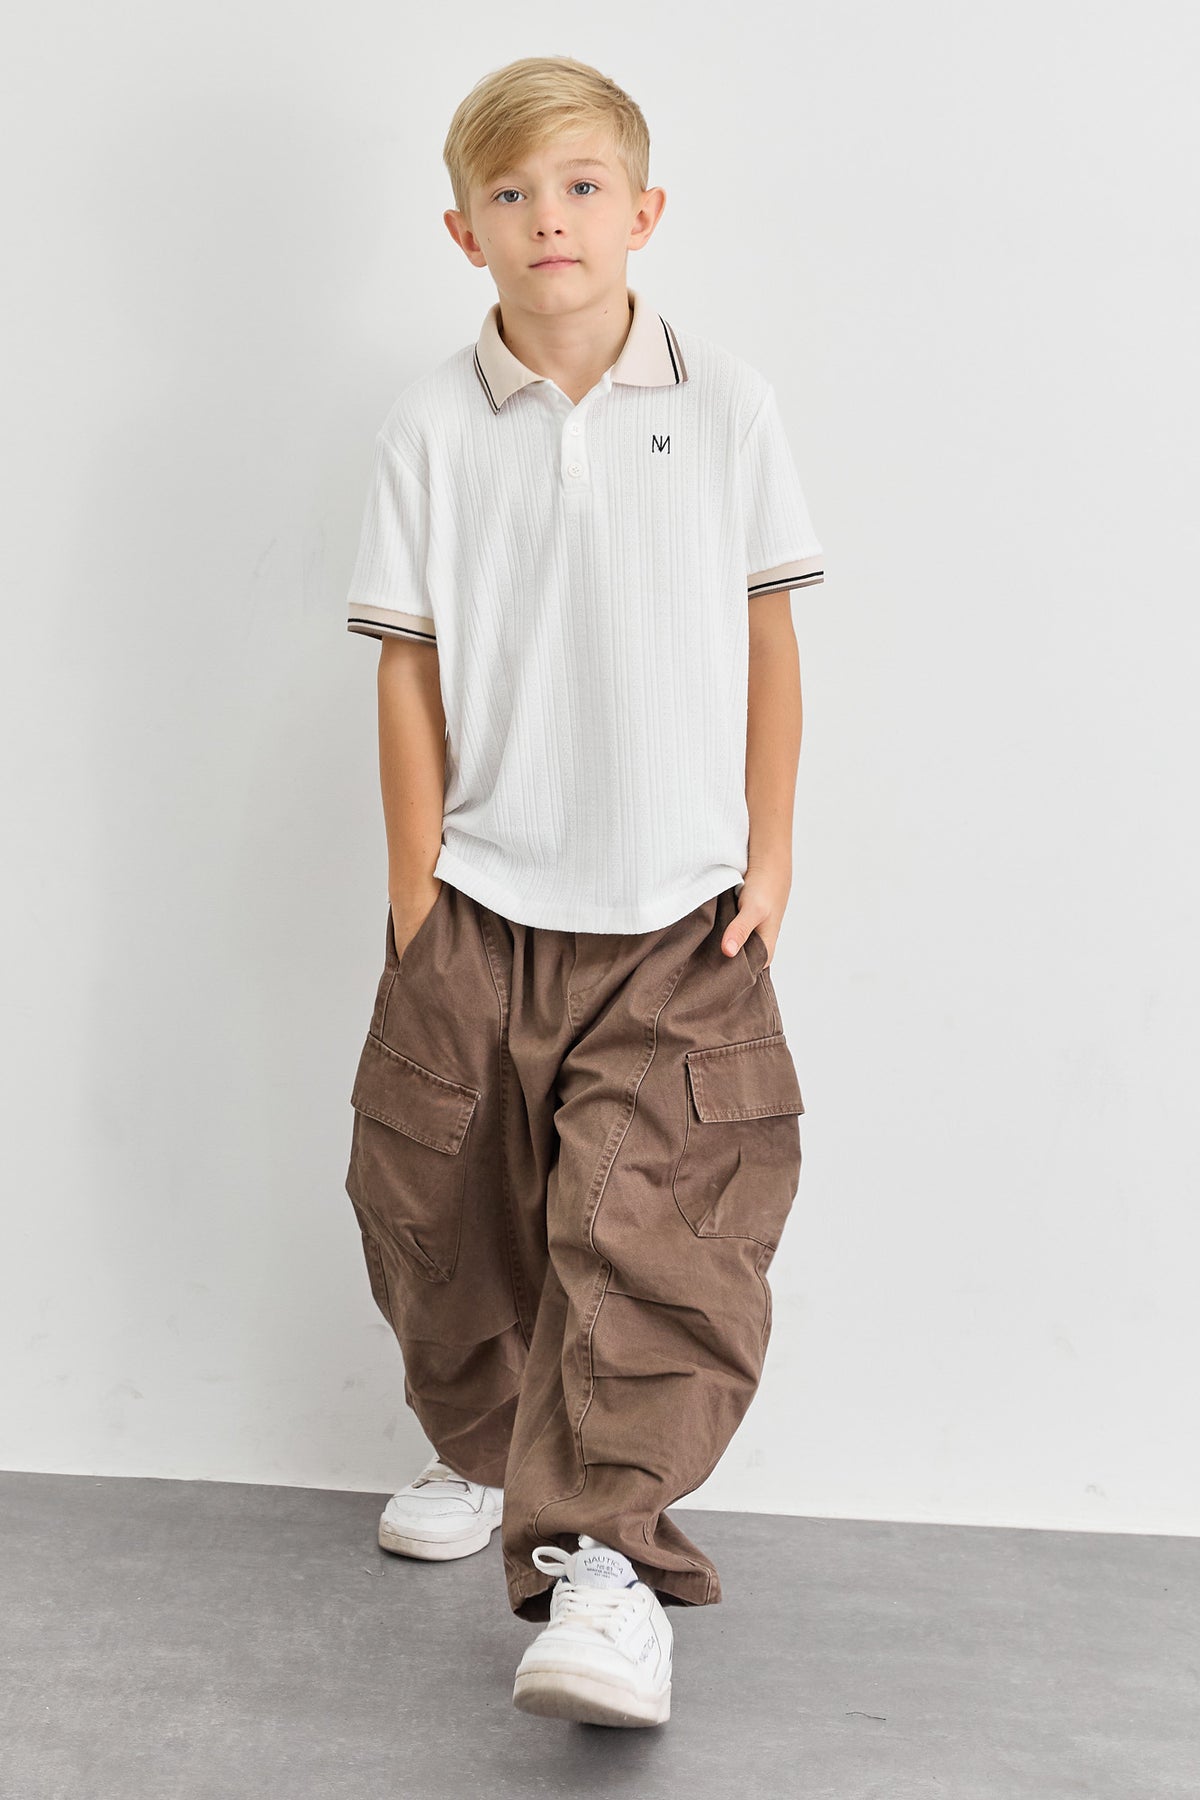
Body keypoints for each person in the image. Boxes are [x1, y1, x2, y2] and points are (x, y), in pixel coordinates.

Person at [342, 53, 824, 1730]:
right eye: (511, 194)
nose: (549, 218)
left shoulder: (726, 403)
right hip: (480, 901)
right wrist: (418, 897)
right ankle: (492, 1453)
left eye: (581, 186)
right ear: (462, 231)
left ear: (644, 211)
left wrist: (771, 853)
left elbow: (771, 638)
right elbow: (405, 667)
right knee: (440, 1209)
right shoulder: (430, 424)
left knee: (653, 1234)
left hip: (680, 917)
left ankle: (601, 1570)